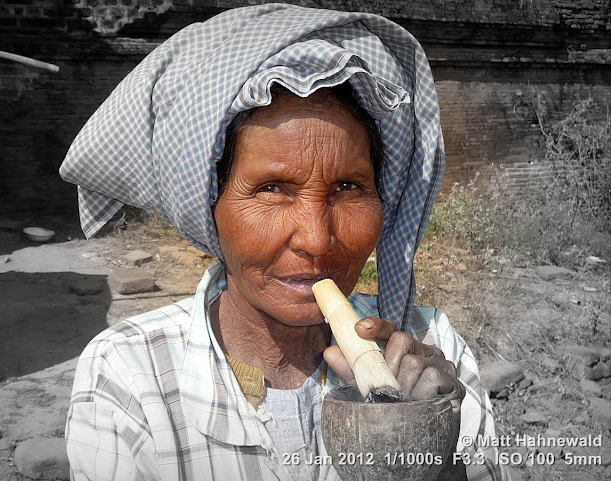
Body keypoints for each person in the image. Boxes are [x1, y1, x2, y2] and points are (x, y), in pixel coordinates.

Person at [60, 4, 510, 481]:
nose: (317, 241)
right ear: (206, 204)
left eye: (348, 187)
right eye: (271, 189)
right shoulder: (132, 372)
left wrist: (429, 451)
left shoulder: (431, 348)